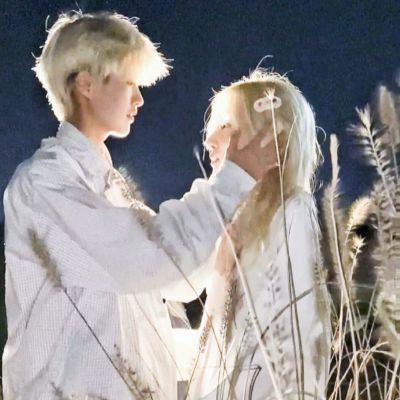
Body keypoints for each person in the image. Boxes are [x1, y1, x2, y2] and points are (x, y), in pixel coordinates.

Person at [2, 12, 271, 400]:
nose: (140, 99)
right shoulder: (44, 187)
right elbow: (156, 258)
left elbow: (179, 280)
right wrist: (234, 177)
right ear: (86, 84)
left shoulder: (112, 193)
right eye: (130, 83)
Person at [176, 70, 331, 399]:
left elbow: (295, 337)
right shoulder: (237, 226)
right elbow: (221, 343)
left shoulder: (292, 211)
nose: (209, 140)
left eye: (226, 125)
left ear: (271, 139)